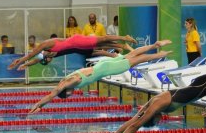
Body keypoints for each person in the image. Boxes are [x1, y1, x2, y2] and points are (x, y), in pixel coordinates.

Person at [28, 40, 173, 114]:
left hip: (107, 68)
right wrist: (39, 105)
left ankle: (160, 54)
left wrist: (38, 105)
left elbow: (52, 94)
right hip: (103, 64)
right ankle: (155, 44)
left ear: (67, 92)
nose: (72, 94)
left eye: (68, 94)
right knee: (132, 54)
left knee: (137, 59)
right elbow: (54, 92)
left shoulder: (70, 83)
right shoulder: (67, 79)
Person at [8, 34, 137, 70]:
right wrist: (25, 65)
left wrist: (19, 61)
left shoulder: (45, 45)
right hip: (78, 47)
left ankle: (123, 38)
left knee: (101, 40)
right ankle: (121, 46)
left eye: (47, 59)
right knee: (98, 46)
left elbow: (31, 55)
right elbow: (36, 59)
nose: (48, 59)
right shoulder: (50, 53)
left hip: (77, 42)